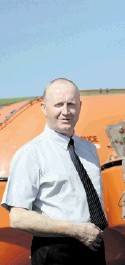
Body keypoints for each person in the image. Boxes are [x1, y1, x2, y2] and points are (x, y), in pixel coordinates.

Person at [1, 78, 107, 265]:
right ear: (44, 108)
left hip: (94, 247)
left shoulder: (89, 150)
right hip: (55, 251)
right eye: (58, 104)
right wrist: (76, 230)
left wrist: (89, 234)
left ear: (80, 106)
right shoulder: (31, 154)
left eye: (71, 104)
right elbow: (18, 218)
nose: (65, 112)